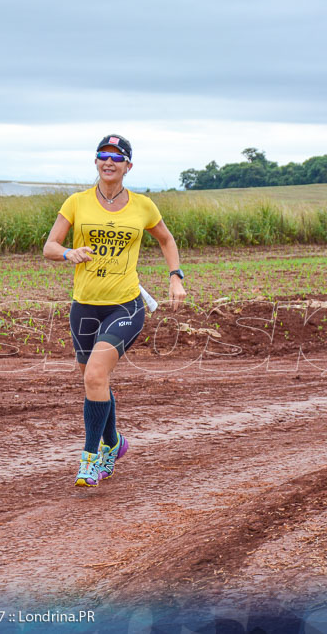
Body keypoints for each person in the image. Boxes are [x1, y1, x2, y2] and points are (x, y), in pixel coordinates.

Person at [43, 134, 186, 487]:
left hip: (125, 304)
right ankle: (115, 442)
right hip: (84, 306)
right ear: (96, 162)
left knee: (95, 376)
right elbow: (49, 245)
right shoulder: (76, 202)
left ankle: (91, 459)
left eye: (117, 157)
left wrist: (175, 277)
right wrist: (67, 253)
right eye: (103, 156)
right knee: (94, 379)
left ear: (128, 166)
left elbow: (166, 239)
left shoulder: (143, 206)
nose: (109, 162)